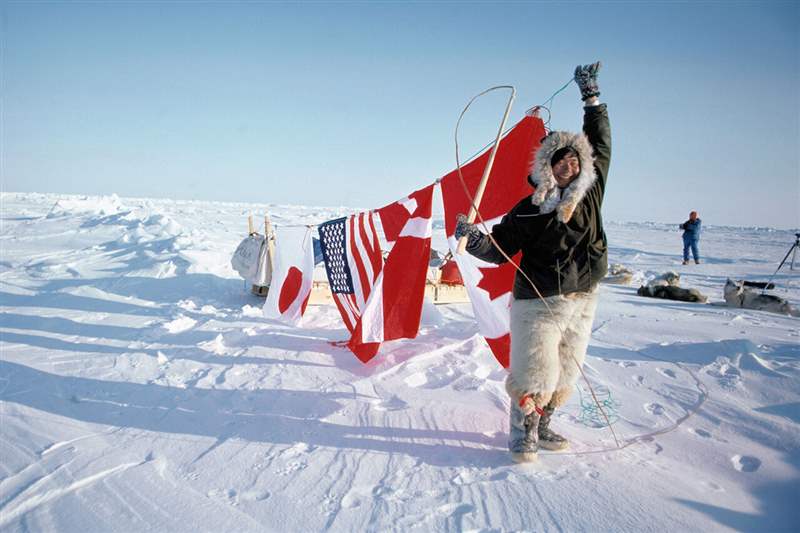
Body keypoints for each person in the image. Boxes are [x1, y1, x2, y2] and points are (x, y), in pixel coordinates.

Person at [455, 62, 610, 463]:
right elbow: (498, 248)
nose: (568, 166)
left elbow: (601, 143)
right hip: (537, 302)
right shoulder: (528, 209)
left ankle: (544, 425)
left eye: (575, 161)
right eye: (560, 161)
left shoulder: (590, 196)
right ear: (547, 166)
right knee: (535, 371)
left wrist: (591, 99)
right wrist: (473, 239)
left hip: (582, 298)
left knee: (565, 372)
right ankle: (522, 433)